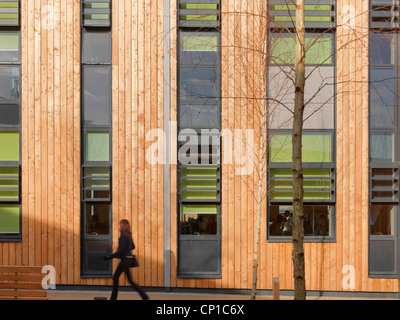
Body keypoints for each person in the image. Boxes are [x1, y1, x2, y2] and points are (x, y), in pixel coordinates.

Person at [104, 219, 149, 301]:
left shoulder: (123, 236)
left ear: (122, 226)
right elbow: (133, 247)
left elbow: (121, 251)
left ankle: (144, 296)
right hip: (128, 260)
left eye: (119, 225)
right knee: (123, 279)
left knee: (120, 279)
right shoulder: (128, 235)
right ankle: (144, 296)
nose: (118, 226)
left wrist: (109, 256)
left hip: (125, 261)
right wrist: (126, 249)